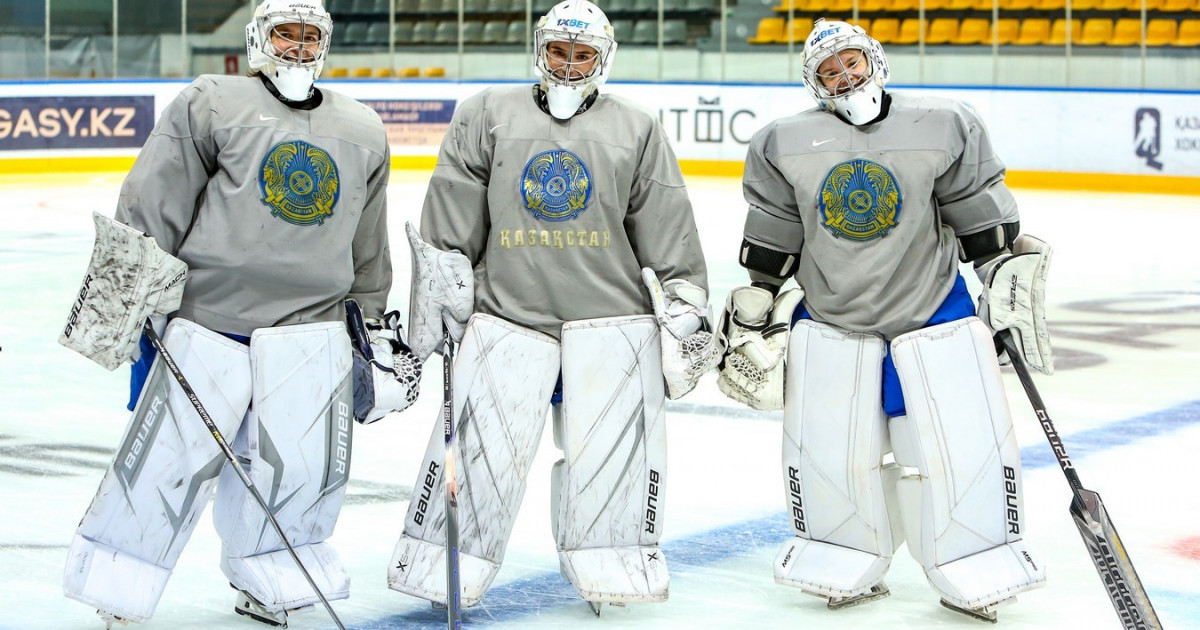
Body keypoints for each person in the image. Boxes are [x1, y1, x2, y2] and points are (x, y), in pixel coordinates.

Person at [57, 1, 420, 627]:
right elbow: (154, 200)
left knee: (299, 473)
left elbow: (369, 245)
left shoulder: (362, 128)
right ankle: (118, 581)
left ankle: (271, 573)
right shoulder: (213, 101)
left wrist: (371, 326)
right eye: (287, 34)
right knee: (165, 463)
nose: (300, 49)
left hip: (313, 334)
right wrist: (129, 300)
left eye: (313, 37)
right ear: (259, 37)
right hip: (209, 321)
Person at [716, 17, 1054, 622]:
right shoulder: (781, 142)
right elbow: (776, 226)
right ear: (813, 82)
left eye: (852, 62)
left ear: (875, 60)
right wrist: (759, 297)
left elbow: (976, 209)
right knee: (833, 454)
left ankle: (972, 557)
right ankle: (841, 550)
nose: (845, 76)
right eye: (829, 69)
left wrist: (1001, 274)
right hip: (832, 316)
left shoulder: (944, 125)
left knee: (952, 447)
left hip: (931, 309)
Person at [386, 0, 716, 614]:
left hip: (612, 325)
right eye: (558, 52)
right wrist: (441, 282)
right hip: (509, 316)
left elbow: (668, 223)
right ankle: (445, 560)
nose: (568, 65)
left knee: (611, 461)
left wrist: (683, 298)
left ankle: (610, 557)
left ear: (603, 57)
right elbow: (452, 211)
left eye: (582, 53)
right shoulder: (485, 114)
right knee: (483, 456)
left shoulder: (637, 128)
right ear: (539, 52)